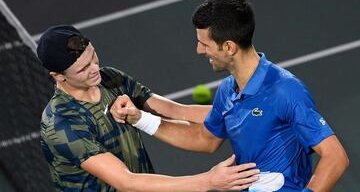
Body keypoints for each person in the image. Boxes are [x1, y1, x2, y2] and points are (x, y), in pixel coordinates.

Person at [112, 0, 349, 192]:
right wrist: (141, 119)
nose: (199, 50)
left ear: (228, 47)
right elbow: (205, 139)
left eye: (204, 43)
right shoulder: (227, 89)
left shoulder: (286, 90)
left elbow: (335, 157)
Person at [38, 25, 260, 192]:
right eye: (83, 68)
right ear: (58, 76)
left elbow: (176, 111)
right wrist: (208, 181)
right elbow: (126, 182)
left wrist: (242, 111)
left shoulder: (110, 78)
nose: (95, 68)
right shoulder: (62, 124)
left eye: (93, 57)